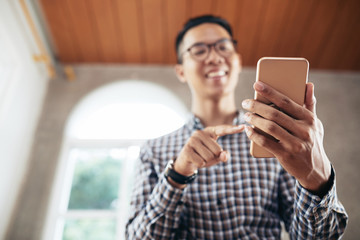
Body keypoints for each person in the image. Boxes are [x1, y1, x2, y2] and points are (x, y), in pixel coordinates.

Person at [126, 15, 348, 239]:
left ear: (238, 62)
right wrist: (177, 175)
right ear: (181, 71)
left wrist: (316, 181)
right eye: (199, 50)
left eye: (223, 47)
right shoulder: (153, 151)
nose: (214, 57)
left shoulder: (277, 139)